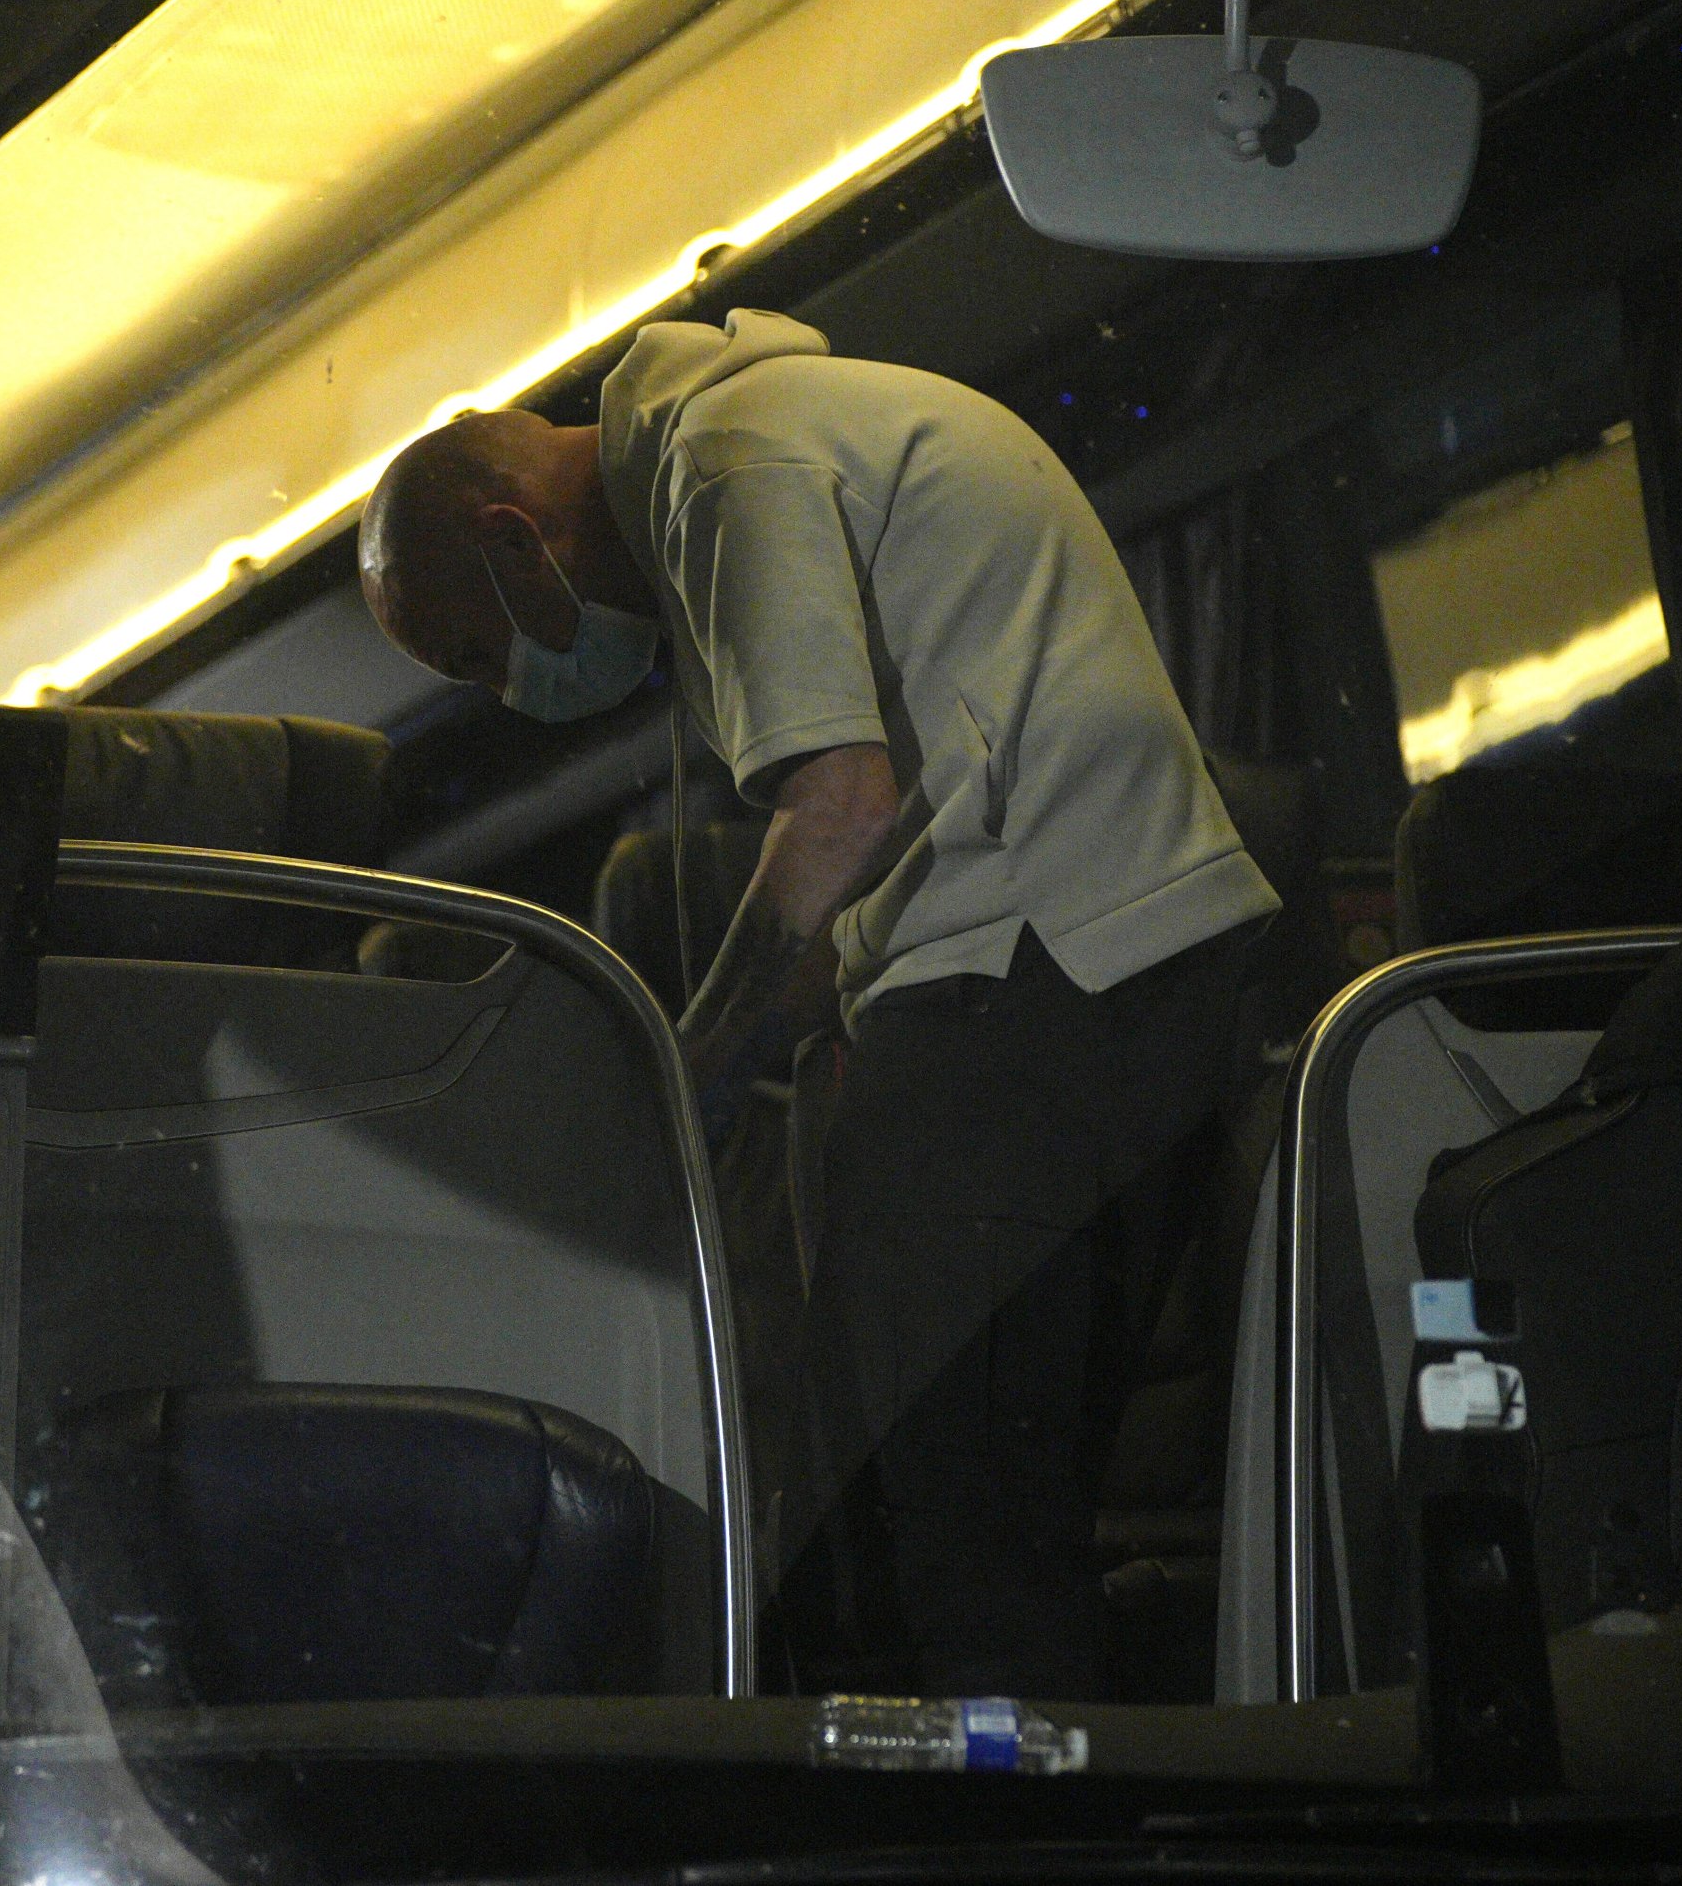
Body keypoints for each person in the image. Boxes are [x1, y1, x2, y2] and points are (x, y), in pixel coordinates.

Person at [357, 309, 1277, 1696]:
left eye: (476, 655)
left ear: (512, 543)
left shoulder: (729, 458)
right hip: (1114, 967)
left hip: (1027, 979)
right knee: (982, 1532)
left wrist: (685, 1078)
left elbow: (840, 812)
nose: (509, 692)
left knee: (947, 1552)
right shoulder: (789, 426)